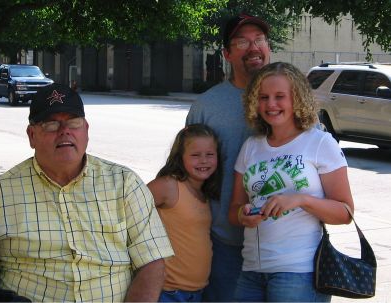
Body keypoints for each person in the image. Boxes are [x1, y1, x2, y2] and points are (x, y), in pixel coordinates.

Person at [0, 83, 174, 302]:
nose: (64, 132)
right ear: (32, 135)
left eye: (73, 123)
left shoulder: (125, 185)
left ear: (86, 130)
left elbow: (152, 263)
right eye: (51, 124)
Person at [228, 62, 355, 302]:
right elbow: (233, 212)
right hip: (252, 270)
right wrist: (243, 215)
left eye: (280, 97)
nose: (271, 104)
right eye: (263, 97)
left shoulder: (320, 143)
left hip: (299, 273)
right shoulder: (251, 146)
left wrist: (301, 200)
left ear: (297, 99)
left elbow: (345, 213)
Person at [185, 12, 271, 301]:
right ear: (227, 53)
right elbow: (187, 175)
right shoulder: (207, 106)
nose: (254, 47)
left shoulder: (291, 99)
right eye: (242, 42)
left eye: (259, 39)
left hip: (289, 248)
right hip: (225, 243)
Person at [147, 124, 222, 302]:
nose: (203, 160)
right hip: (167, 292)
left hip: (196, 293)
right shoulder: (168, 186)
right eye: (195, 155)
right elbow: (129, 209)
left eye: (210, 154)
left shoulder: (204, 194)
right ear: (181, 158)